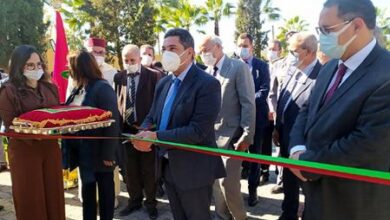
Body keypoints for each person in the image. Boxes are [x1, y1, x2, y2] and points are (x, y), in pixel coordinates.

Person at [289, 0, 390, 219]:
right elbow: (306, 109)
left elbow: (367, 143)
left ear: (357, 25)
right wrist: (296, 149)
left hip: (355, 205)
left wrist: (307, 165)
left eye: (327, 30)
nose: (322, 37)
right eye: (319, 30)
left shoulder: (386, 73)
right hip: (317, 199)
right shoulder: (330, 67)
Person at [131, 28, 226, 220]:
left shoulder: (207, 84)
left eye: (172, 48)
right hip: (167, 167)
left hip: (194, 171)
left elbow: (197, 131)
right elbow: (152, 116)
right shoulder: (164, 83)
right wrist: (143, 132)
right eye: (164, 48)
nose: (166, 53)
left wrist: (155, 137)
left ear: (189, 52)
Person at [0, 45, 65, 220]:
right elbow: (11, 125)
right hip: (25, 152)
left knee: (54, 196)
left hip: (51, 149)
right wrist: (36, 131)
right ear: (19, 66)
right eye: (30, 65)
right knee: (31, 199)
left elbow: (58, 115)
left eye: (38, 64)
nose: (36, 69)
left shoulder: (50, 88)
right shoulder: (8, 91)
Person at [199, 35, 255, 220]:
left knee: (228, 185)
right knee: (215, 183)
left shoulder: (238, 67)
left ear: (218, 47)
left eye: (205, 50)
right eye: (201, 51)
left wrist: (247, 134)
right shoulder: (207, 71)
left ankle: (240, 217)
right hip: (210, 137)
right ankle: (222, 216)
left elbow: (248, 102)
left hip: (233, 137)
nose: (203, 54)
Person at [64, 49, 120, 220]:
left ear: (80, 69)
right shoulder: (80, 88)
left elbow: (113, 122)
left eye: (71, 67)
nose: (69, 71)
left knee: (105, 195)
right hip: (85, 154)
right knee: (88, 194)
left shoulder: (102, 88)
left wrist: (108, 154)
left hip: (101, 154)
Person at [273, 32, 322, 220]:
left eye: (294, 51)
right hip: (285, 140)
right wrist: (278, 127)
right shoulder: (294, 71)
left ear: (309, 52)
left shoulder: (322, 76)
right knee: (288, 182)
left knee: (308, 188)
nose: (290, 55)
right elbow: (283, 101)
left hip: (304, 146)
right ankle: (288, 214)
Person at [115, 44, 161, 219]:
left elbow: (157, 104)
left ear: (140, 59)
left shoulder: (154, 76)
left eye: (132, 60)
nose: (129, 63)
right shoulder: (119, 77)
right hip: (127, 131)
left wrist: (150, 129)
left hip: (146, 130)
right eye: (126, 60)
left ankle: (151, 203)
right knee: (130, 170)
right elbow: (118, 98)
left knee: (149, 170)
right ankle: (134, 201)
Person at [235, 32, 270, 206]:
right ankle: (233, 191)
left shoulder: (261, 66)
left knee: (255, 155)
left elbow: (264, 91)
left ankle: (253, 190)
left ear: (252, 47)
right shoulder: (232, 66)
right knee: (236, 155)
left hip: (257, 118)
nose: (242, 49)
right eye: (240, 45)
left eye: (245, 45)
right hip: (236, 119)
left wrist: (246, 100)